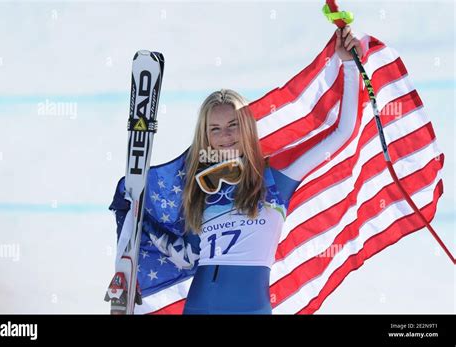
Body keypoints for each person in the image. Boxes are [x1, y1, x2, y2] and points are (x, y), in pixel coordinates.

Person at [111, 25, 363, 314]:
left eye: (233, 125)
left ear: (246, 128)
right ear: (205, 137)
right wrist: (142, 219)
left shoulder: (274, 178)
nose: (226, 135)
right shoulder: (199, 190)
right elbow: (188, 257)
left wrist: (349, 65)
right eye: (215, 129)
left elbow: (342, 133)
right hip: (199, 307)